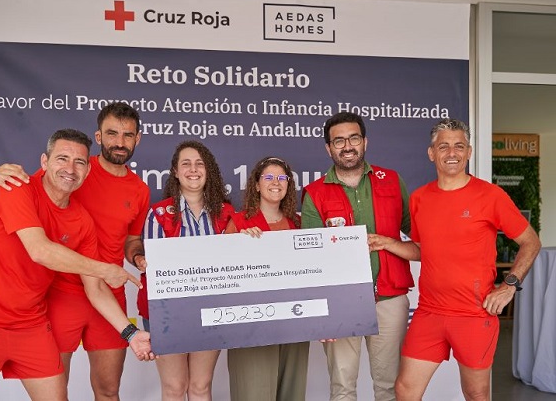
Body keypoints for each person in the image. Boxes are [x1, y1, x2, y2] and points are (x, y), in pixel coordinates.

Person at [0, 129, 155, 401]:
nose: (70, 169)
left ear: (88, 171)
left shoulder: (82, 221)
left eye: (79, 162)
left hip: (29, 325)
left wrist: (132, 333)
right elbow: (40, 250)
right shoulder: (15, 188)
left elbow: (96, 289)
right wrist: (104, 268)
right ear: (44, 161)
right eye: (62, 159)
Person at [381, 118, 541, 401]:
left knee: (476, 393)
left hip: (474, 314)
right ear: (432, 153)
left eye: (459, 146)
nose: (452, 153)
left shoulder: (490, 195)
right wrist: (389, 244)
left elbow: (531, 241)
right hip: (429, 312)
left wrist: (509, 285)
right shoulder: (419, 198)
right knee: (405, 389)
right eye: (444, 146)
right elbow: (424, 249)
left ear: (469, 152)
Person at [301, 111, 414, 401]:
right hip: (340, 303)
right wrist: (322, 312)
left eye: (353, 138)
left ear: (365, 142)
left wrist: (390, 243)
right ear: (328, 148)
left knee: (389, 387)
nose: (347, 146)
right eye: (339, 141)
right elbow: (311, 259)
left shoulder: (391, 181)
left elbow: (418, 236)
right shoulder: (315, 193)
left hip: (389, 298)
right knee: (342, 388)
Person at [137, 140, 234, 401]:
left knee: (201, 386)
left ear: (208, 170)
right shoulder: (158, 214)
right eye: (186, 164)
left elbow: (233, 265)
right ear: (176, 172)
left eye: (199, 164)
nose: (193, 169)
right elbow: (155, 273)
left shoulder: (226, 213)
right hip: (168, 313)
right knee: (174, 387)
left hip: (212, 309)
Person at [224, 156, 310, 401]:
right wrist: (240, 244)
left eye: (282, 178)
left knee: (292, 392)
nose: (276, 182)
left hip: (293, 321)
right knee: (254, 392)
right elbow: (225, 274)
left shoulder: (299, 224)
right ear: (256, 185)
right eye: (269, 177)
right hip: (252, 323)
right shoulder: (239, 223)